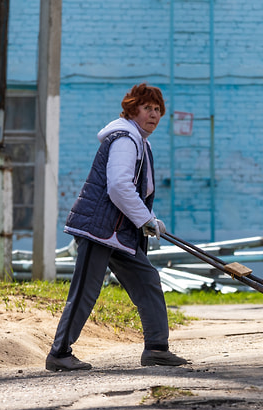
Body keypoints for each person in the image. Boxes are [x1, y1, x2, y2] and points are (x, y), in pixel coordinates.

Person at [46, 83, 189, 371]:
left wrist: (149, 218)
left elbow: (133, 190)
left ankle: (157, 349)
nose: (154, 114)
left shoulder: (140, 142)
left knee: (147, 280)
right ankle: (59, 353)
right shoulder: (125, 140)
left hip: (119, 232)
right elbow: (119, 187)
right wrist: (143, 219)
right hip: (99, 231)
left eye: (158, 110)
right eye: (147, 108)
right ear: (132, 109)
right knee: (86, 290)